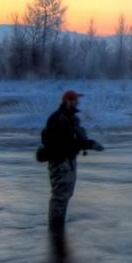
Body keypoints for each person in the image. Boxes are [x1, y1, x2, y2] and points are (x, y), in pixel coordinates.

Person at [41, 90, 104, 229]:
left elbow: (72, 141)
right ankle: (55, 228)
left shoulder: (71, 119)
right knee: (60, 195)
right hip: (59, 162)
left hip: (69, 160)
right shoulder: (58, 118)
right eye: (71, 99)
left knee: (66, 194)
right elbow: (64, 143)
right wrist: (89, 144)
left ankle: (57, 228)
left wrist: (85, 143)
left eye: (75, 99)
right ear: (65, 100)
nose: (74, 101)